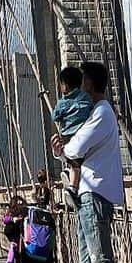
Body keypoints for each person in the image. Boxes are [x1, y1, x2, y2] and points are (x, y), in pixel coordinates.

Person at [51, 62, 124, 263]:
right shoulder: (91, 113)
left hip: (95, 196)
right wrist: (62, 151)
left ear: (89, 84)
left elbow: (76, 148)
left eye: (81, 81)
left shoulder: (102, 112)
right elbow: (71, 151)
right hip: (85, 197)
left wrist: (65, 149)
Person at [51, 65, 94, 207]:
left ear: (64, 86)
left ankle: (71, 186)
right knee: (79, 162)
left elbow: (54, 116)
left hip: (67, 137)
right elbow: (91, 109)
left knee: (74, 164)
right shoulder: (86, 97)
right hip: (82, 135)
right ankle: (71, 182)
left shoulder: (62, 102)